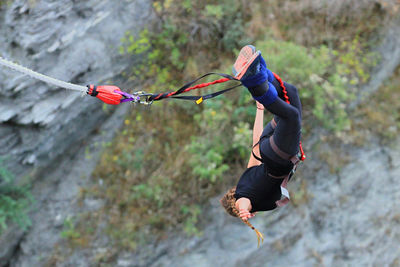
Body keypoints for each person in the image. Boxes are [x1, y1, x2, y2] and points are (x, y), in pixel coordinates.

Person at [220, 45, 303, 244]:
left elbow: (244, 203)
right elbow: (255, 146)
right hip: (267, 145)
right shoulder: (246, 181)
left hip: (278, 156)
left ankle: (255, 82)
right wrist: (260, 110)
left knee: (291, 117)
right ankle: (259, 71)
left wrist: (243, 211)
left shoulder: (247, 197)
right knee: (291, 94)